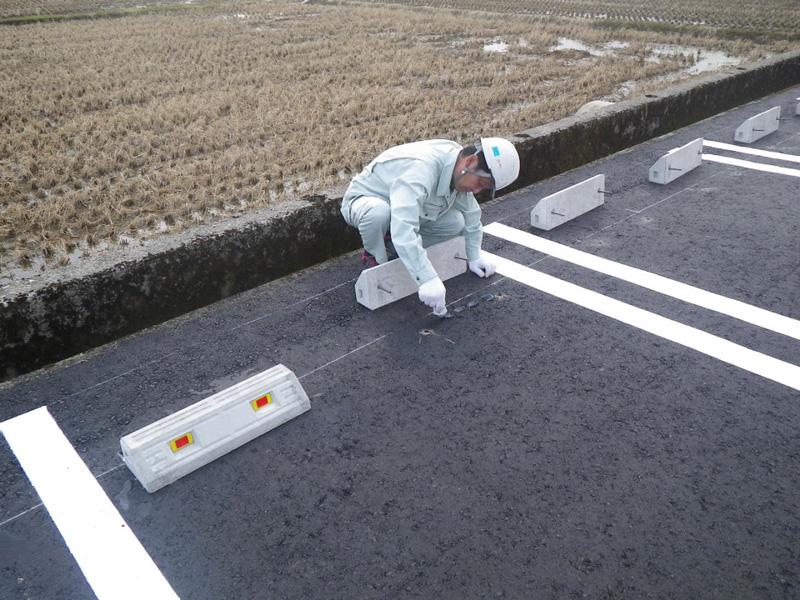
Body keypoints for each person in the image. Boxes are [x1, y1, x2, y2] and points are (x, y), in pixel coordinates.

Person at [341, 137, 521, 315]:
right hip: (366, 201)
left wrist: (474, 256)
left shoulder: (458, 168)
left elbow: (471, 214)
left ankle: (394, 245)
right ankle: (375, 256)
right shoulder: (421, 171)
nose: (476, 191)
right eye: (480, 183)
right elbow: (404, 227)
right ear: (470, 161)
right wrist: (426, 279)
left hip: (401, 208)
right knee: (378, 213)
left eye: (483, 188)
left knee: (456, 221)